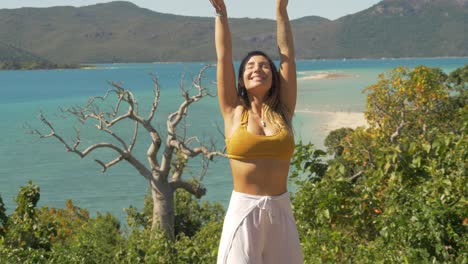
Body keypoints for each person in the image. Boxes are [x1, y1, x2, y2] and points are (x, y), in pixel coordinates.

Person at [208, 0, 303, 263]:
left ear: (273, 77)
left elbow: (287, 55)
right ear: (240, 80)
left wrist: (281, 11)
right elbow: (224, 57)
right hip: (244, 211)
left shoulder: (283, 110)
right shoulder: (233, 111)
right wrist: (221, 14)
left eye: (263, 66)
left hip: (280, 211)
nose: (257, 69)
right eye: (250, 66)